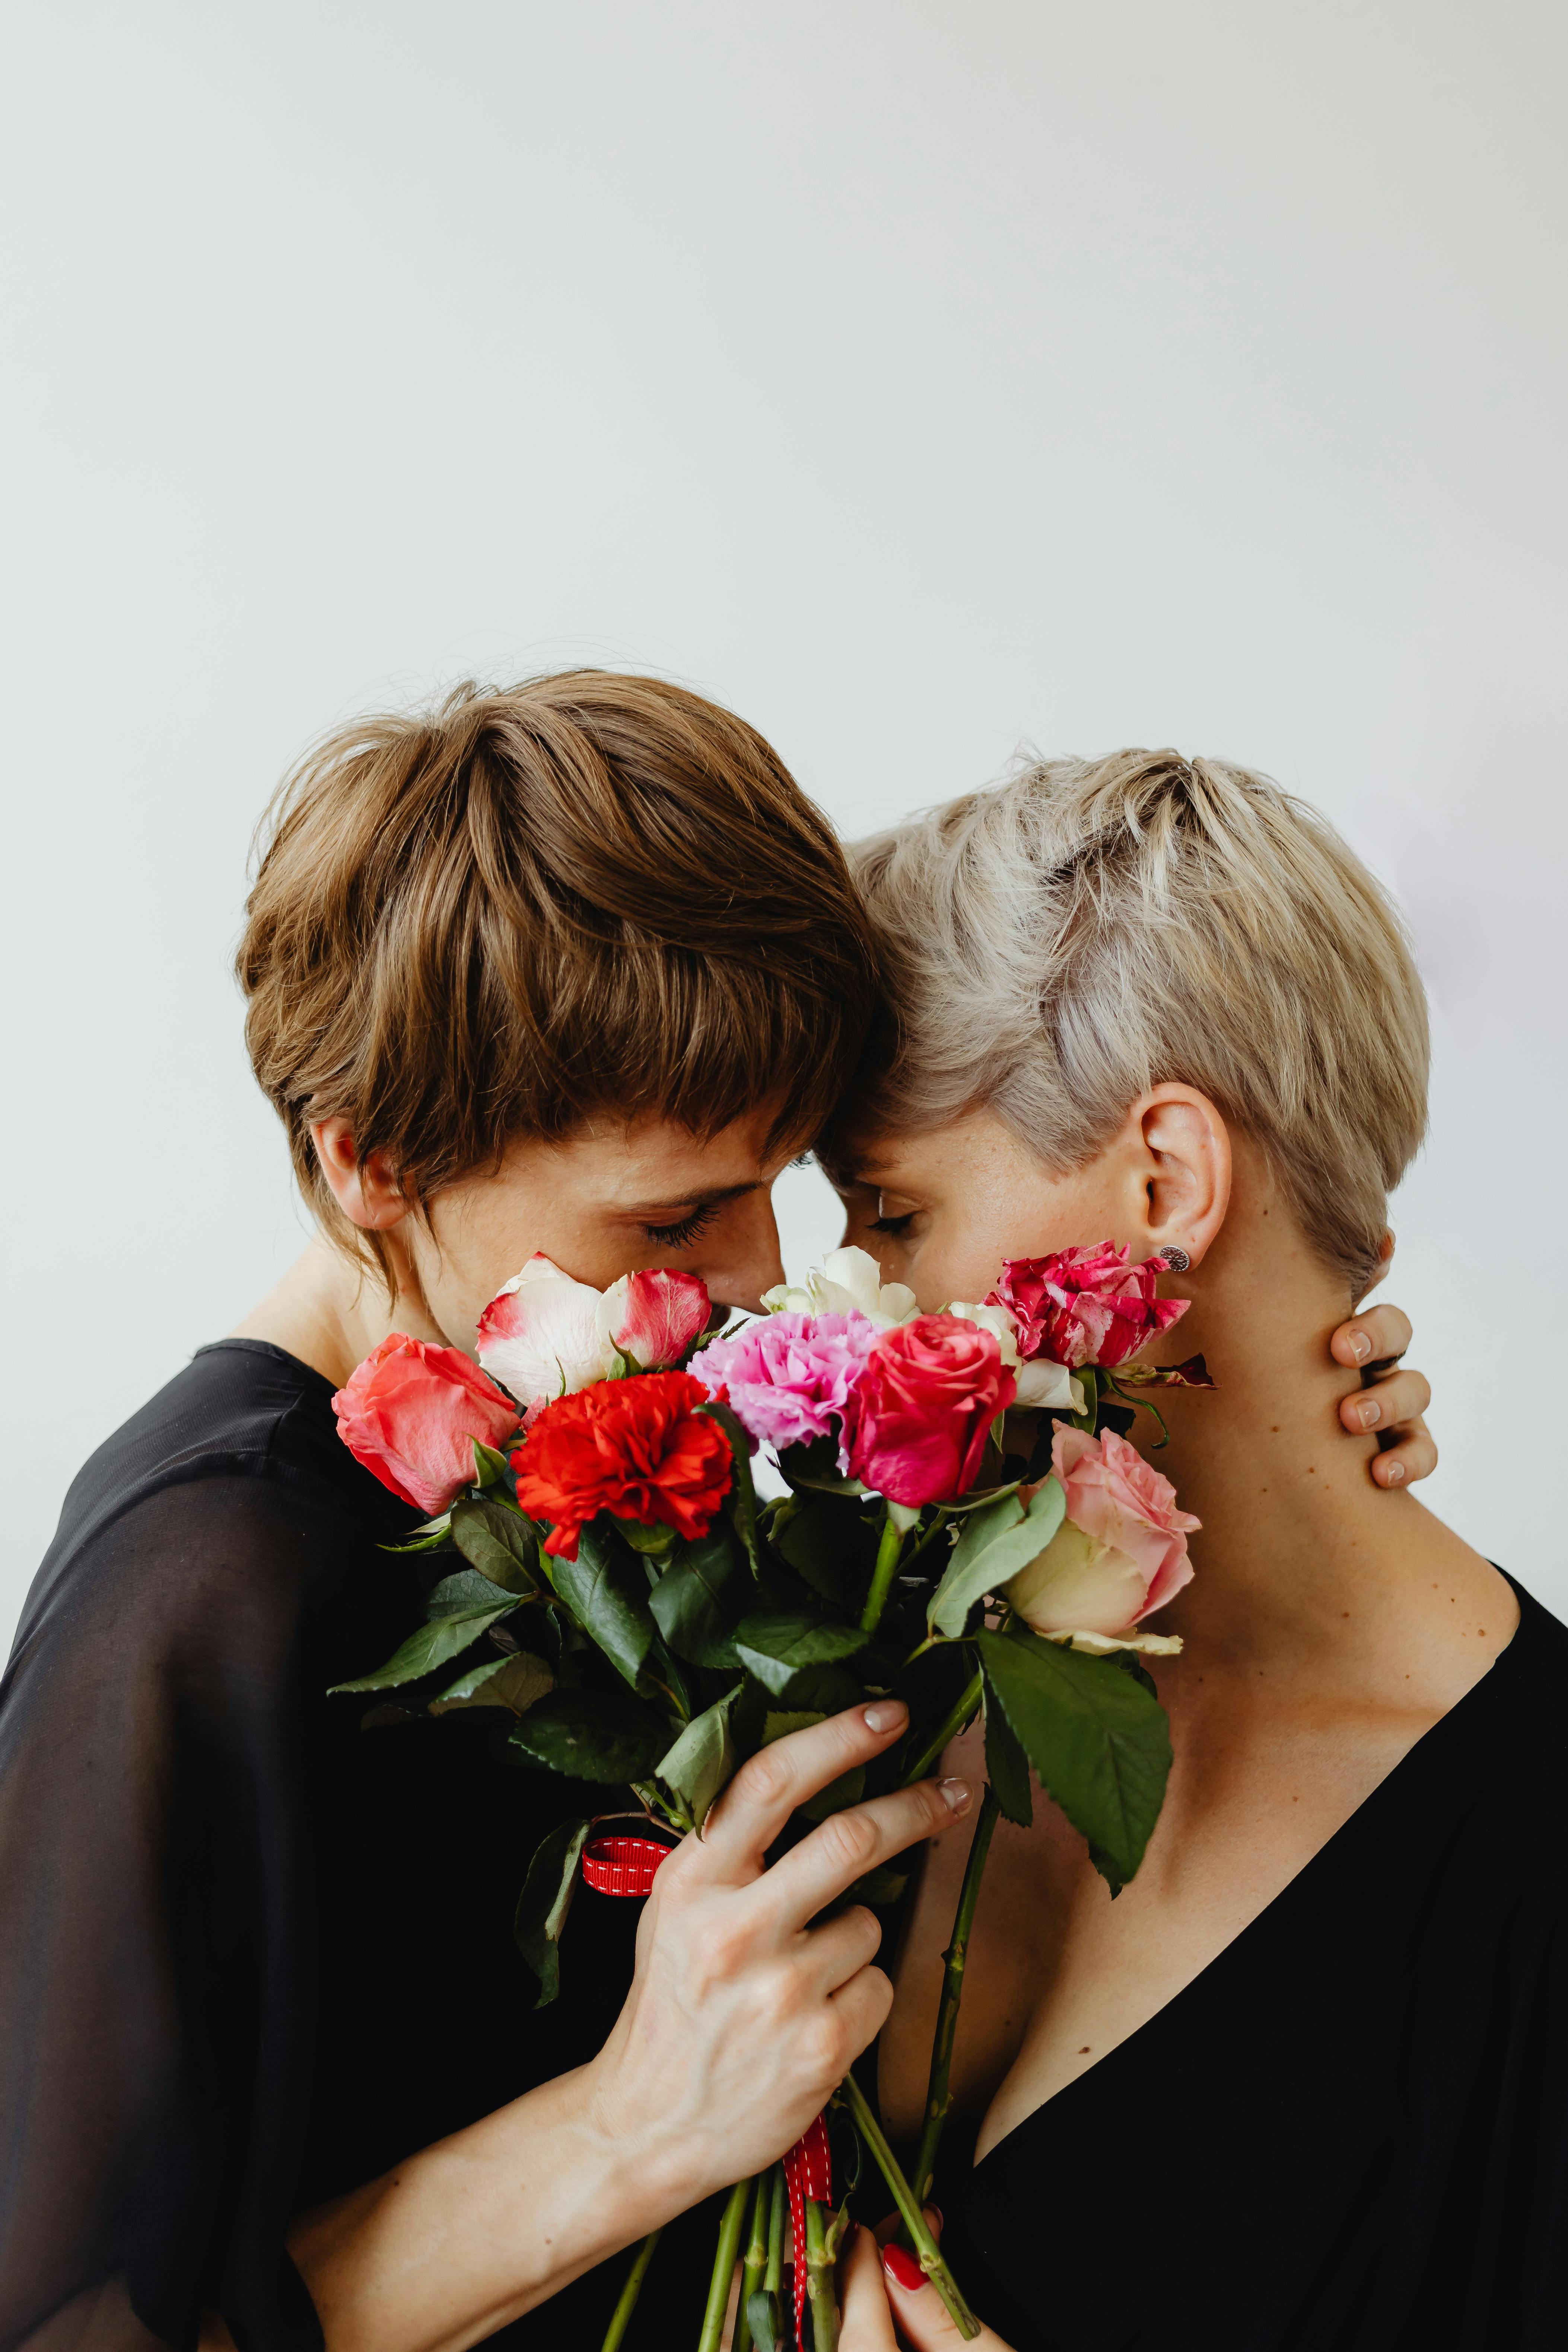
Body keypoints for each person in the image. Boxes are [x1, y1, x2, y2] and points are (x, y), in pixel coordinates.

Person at [0, 687, 1432, 2352]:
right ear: (373, 1164)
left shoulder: (545, 1423)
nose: (758, 1278)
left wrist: (1255, 1416)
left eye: (786, 1188)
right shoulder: (205, 1588)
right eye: (677, 1211)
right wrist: (622, 2134)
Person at [823, 751, 1563, 2351]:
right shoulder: (873, 1634)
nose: (850, 1303)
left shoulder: (1532, 1884)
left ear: (1164, 1181)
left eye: (892, 1216)